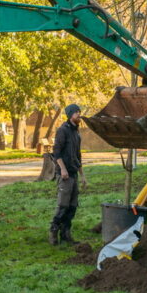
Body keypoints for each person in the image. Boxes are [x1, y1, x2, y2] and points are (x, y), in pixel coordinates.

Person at [49, 103, 86, 246]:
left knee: (72, 206)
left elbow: (78, 156)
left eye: (79, 111)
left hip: (74, 174)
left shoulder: (77, 133)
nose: (79, 114)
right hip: (64, 175)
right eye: (76, 112)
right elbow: (56, 152)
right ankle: (53, 232)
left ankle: (66, 234)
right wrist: (63, 169)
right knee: (63, 205)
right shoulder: (62, 130)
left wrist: (82, 176)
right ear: (70, 115)